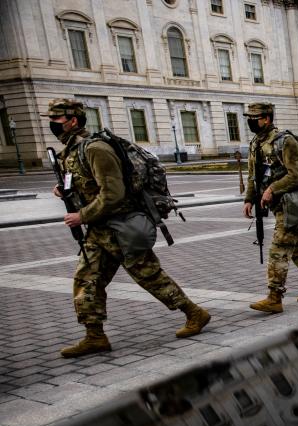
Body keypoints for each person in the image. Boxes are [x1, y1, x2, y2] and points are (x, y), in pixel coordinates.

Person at [48, 99, 210, 358]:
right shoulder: (71, 150)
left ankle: (194, 313)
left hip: (120, 228)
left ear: (73, 121)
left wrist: (82, 215)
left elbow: (113, 194)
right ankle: (95, 336)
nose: (51, 125)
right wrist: (66, 191)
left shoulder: (96, 149)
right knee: (87, 279)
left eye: (55, 121)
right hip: (99, 231)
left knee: (150, 276)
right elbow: (89, 185)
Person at [242, 103, 298, 314]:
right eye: (250, 117)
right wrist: (249, 199)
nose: (251, 121)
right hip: (277, 206)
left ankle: (274, 296)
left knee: (279, 249)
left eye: (256, 117)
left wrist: (272, 188)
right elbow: (253, 174)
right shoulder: (256, 142)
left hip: (292, 204)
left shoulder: (285, 142)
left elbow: (297, 175)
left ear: (267, 119)